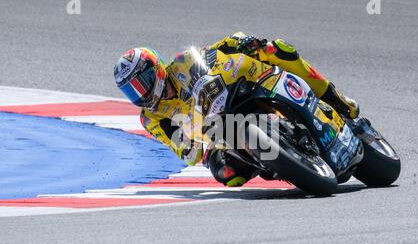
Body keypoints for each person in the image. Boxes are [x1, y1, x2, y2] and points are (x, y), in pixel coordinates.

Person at [114, 32, 360, 187]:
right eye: (131, 91)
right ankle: (272, 163)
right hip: (217, 132)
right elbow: (185, 151)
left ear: (155, 69)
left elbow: (216, 49)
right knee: (227, 174)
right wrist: (189, 145)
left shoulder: (183, 62)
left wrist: (240, 42)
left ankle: (336, 99)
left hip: (232, 91)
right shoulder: (151, 118)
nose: (140, 93)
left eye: (140, 83)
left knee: (278, 49)